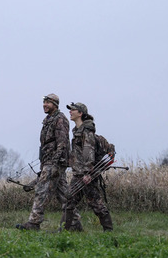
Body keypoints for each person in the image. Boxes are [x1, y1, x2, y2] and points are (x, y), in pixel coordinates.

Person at [16, 94, 81, 231]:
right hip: (49, 161)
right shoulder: (48, 120)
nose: (45, 105)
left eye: (48, 102)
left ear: (55, 104)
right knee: (64, 195)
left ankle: (34, 223)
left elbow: (62, 143)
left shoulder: (60, 119)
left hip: (54, 162)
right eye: (44, 102)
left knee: (41, 191)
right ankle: (75, 223)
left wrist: (56, 163)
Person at [64, 102, 113, 232]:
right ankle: (64, 231)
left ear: (80, 113)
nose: (70, 112)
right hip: (78, 173)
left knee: (96, 203)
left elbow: (88, 152)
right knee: (69, 200)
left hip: (87, 174)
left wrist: (87, 173)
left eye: (73, 110)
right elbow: (78, 153)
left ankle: (108, 230)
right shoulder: (77, 131)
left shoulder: (87, 131)